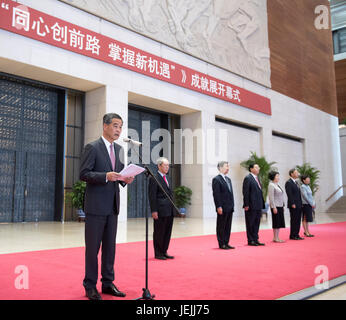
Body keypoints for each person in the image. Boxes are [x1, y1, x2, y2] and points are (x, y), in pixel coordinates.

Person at [80, 113, 134, 301]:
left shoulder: (119, 149)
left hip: (112, 207)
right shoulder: (92, 147)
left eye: (120, 127)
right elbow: (84, 174)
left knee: (110, 248)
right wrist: (105, 176)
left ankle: (108, 283)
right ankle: (90, 285)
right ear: (105, 126)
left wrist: (125, 179)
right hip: (95, 207)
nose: (118, 130)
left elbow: (118, 177)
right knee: (93, 249)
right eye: (115, 126)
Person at [148, 157, 175, 260]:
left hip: (169, 209)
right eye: (165, 165)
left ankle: (164, 251)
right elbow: (152, 196)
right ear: (159, 166)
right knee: (159, 232)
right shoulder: (154, 178)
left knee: (167, 232)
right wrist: (154, 210)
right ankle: (158, 253)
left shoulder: (168, 178)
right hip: (160, 210)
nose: (167, 167)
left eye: (168, 165)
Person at [212, 161, 235, 250]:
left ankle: (226, 242)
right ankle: (221, 243)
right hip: (222, 207)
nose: (228, 168)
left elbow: (230, 193)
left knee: (228, 226)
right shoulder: (216, 179)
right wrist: (218, 206)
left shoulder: (228, 179)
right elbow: (216, 194)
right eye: (226, 166)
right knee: (221, 225)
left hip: (230, 206)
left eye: (228, 166)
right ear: (220, 168)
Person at [242, 163, 265, 246]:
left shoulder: (256, 178)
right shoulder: (248, 178)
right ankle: (250, 240)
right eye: (256, 167)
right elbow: (246, 192)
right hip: (251, 205)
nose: (258, 168)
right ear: (251, 169)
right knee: (250, 223)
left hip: (258, 205)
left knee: (256, 223)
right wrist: (246, 204)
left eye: (258, 167)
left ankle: (255, 239)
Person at [285, 168, 304, 240]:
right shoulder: (289, 182)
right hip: (293, 204)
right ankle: (293, 235)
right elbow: (289, 194)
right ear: (291, 174)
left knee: (298, 219)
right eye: (296, 173)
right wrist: (292, 203)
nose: (297, 174)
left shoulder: (296, 182)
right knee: (294, 219)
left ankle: (297, 234)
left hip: (299, 204)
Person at [268, 171, 286, 243]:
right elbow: (271, 197)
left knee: (279, 222)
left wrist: (283, 205)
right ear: (273, 177)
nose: (278, 177)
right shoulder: (271, 185)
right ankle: (275, 237)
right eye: (277, 176)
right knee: (276, 222)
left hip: (280, 205)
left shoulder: (277, 185)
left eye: (278, 176)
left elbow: (281, 196)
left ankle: (277, 237)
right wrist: (274, 207)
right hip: (275, 206)